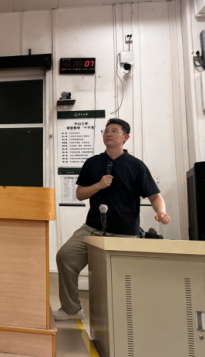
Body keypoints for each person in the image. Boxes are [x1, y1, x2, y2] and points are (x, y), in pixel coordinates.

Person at [54, 118, 171, 321]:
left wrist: (161, 212)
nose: (108, 134)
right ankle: (71, 309)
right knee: (65, 256)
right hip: (92, 228)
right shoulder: (92, 163)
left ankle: (123, 317)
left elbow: (154, 196)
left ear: (125, 137)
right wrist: (99, 185)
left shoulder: (136, 166)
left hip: (124, 232)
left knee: (118, 276)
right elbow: (80, 194)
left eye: (114, 131)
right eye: (106, 131)